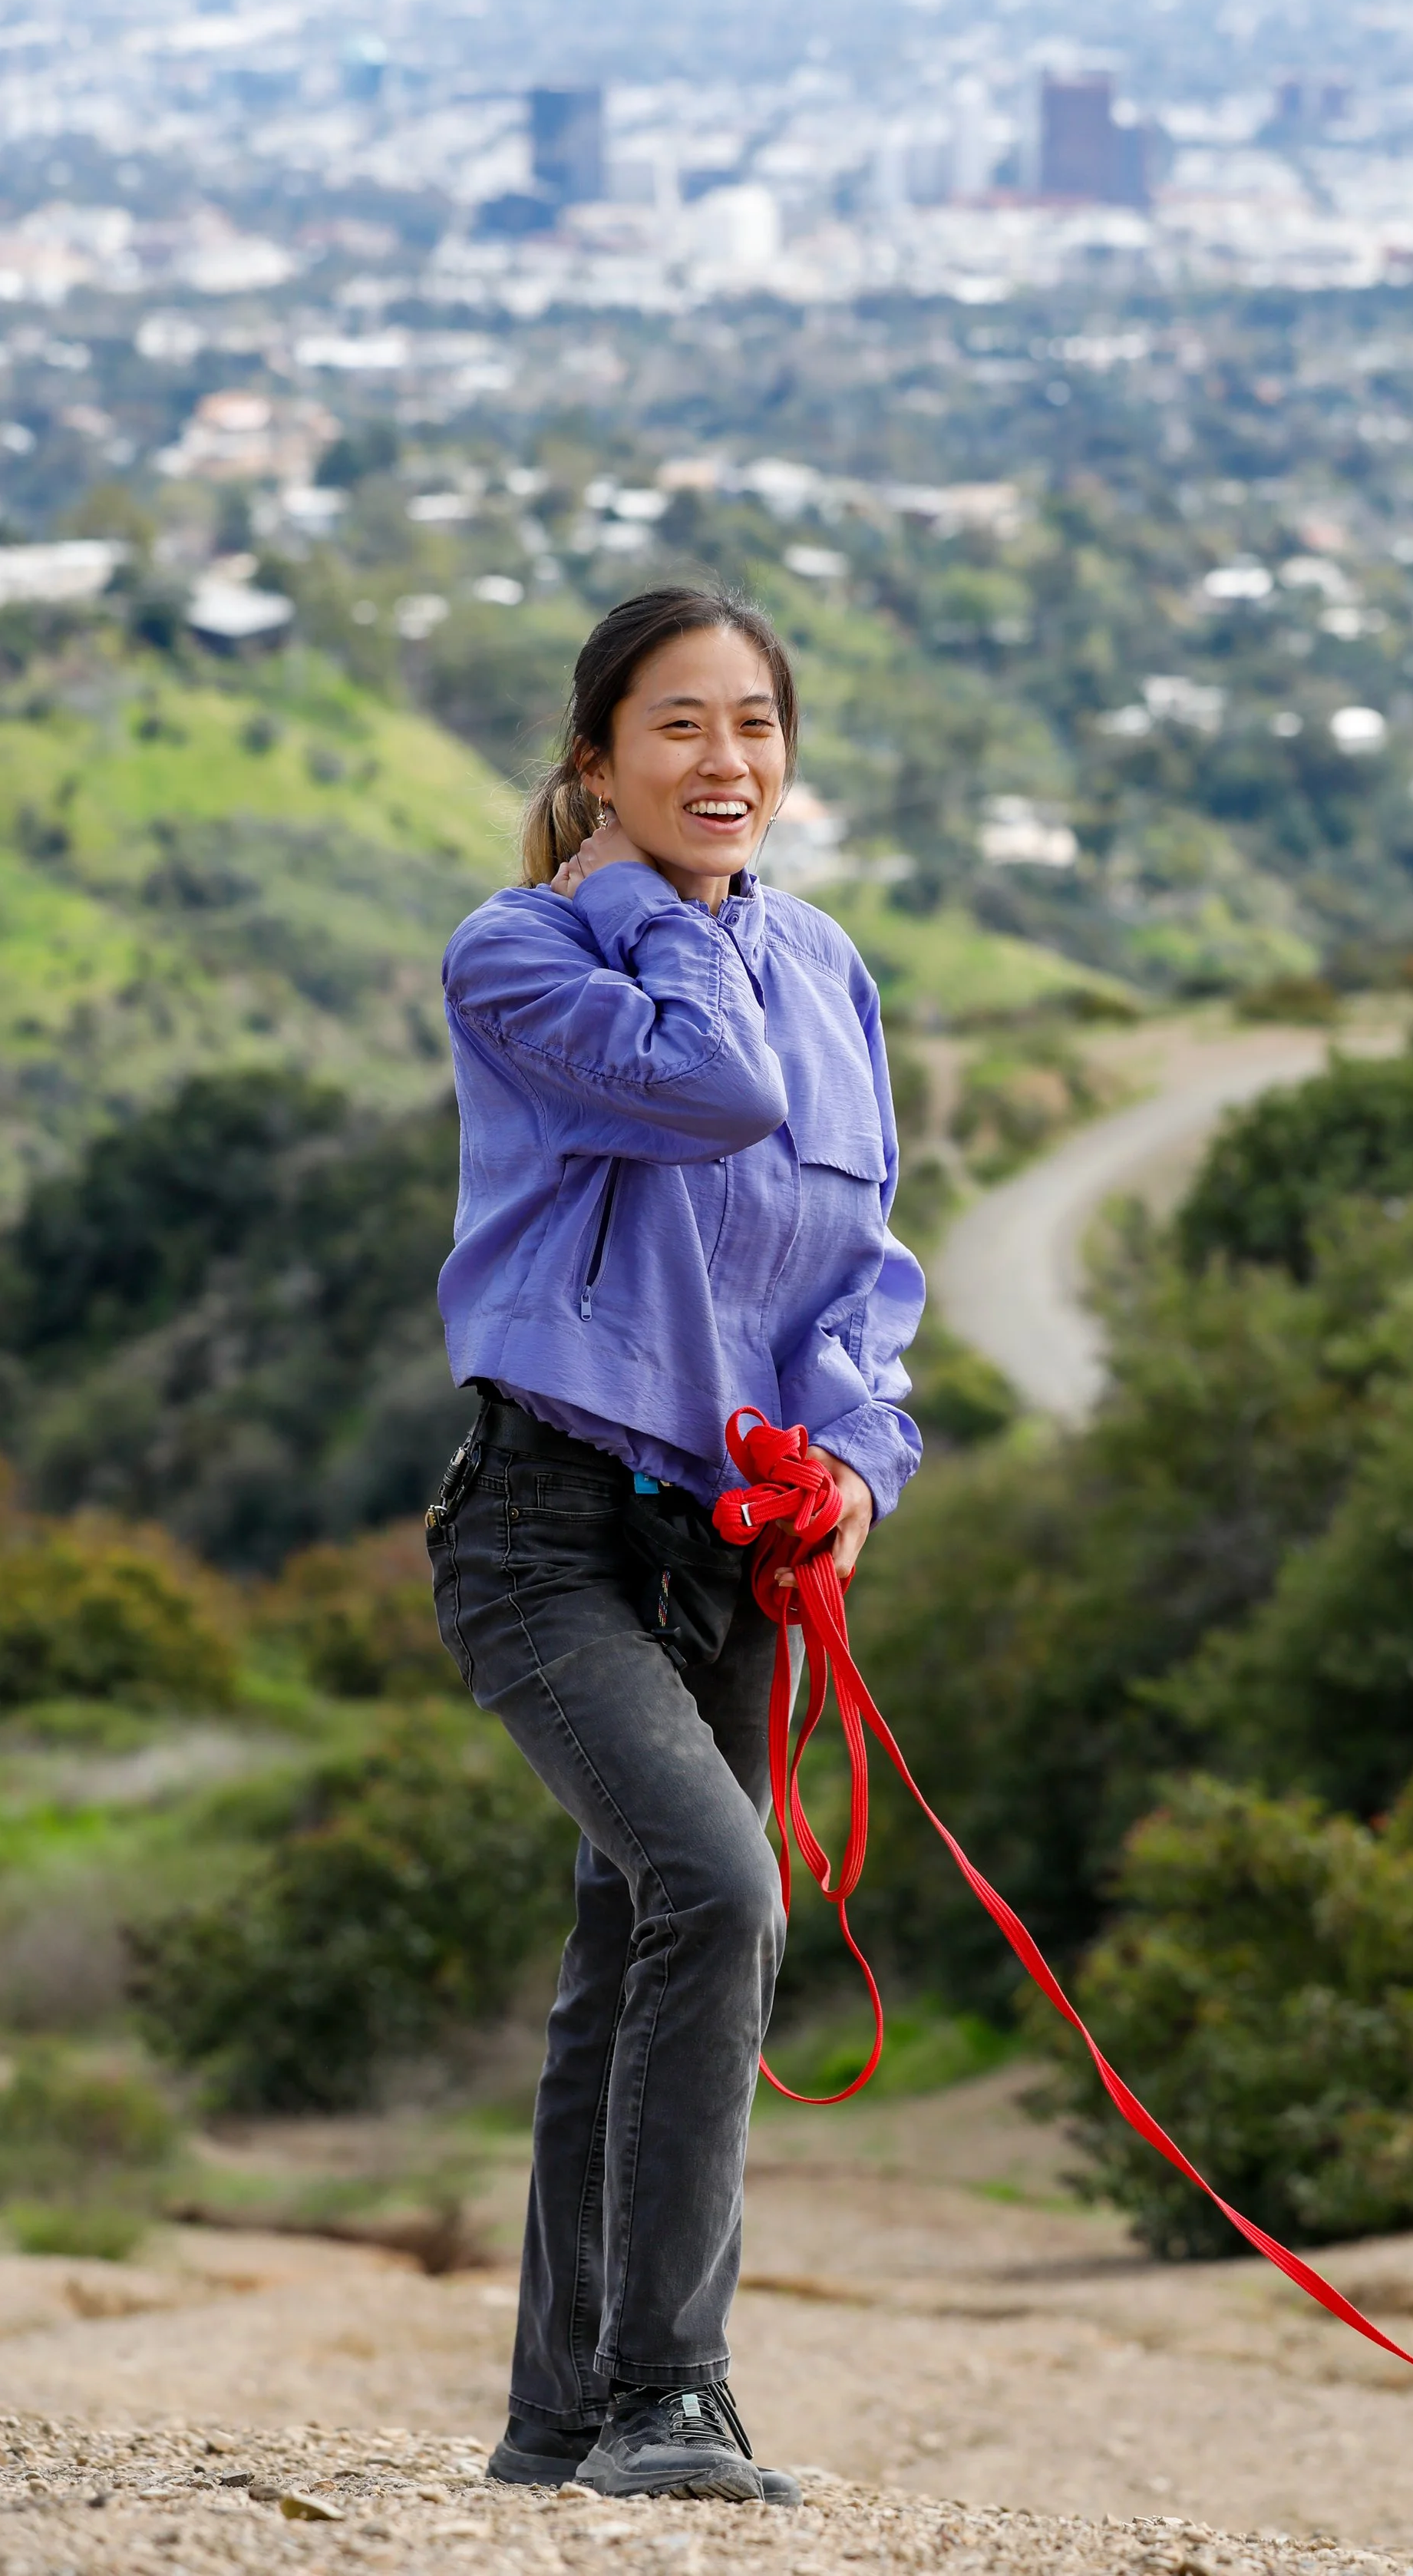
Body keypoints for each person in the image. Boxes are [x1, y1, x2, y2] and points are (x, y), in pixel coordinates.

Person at [427, 584, 923, 2506]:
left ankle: (560, 2419)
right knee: (721, 1890)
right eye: (678, 730)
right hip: (541, 1530)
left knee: (632, 1942)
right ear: (595, 762)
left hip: (722, 1548)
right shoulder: (524, 954)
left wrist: (858, 1462)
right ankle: (671, 2395)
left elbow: (855, 1267)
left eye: (755, 728)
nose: (728, 764)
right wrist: (667, 905)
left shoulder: (832, 965)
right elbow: (720, 1095)